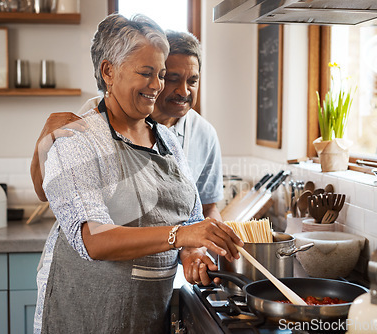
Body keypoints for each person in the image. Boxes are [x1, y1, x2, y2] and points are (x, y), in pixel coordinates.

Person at [33, 14, 243, 334]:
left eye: (160, 74)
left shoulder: (167, 138)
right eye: (147, 73)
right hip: (90, 313)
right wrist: (181, 236)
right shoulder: (77, 139)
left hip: (146, 313)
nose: (158, 85)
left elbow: (190, 217)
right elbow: (92, 239)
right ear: (109, 71)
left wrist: (194, 249)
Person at [30, 31, 224, 221]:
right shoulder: (94, 114)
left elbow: (206, 209)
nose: (184, 91)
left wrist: (204, 247)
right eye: (172, 78)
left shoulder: (205, 134)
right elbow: (46, 194)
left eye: (193, 81)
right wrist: (43, 146)